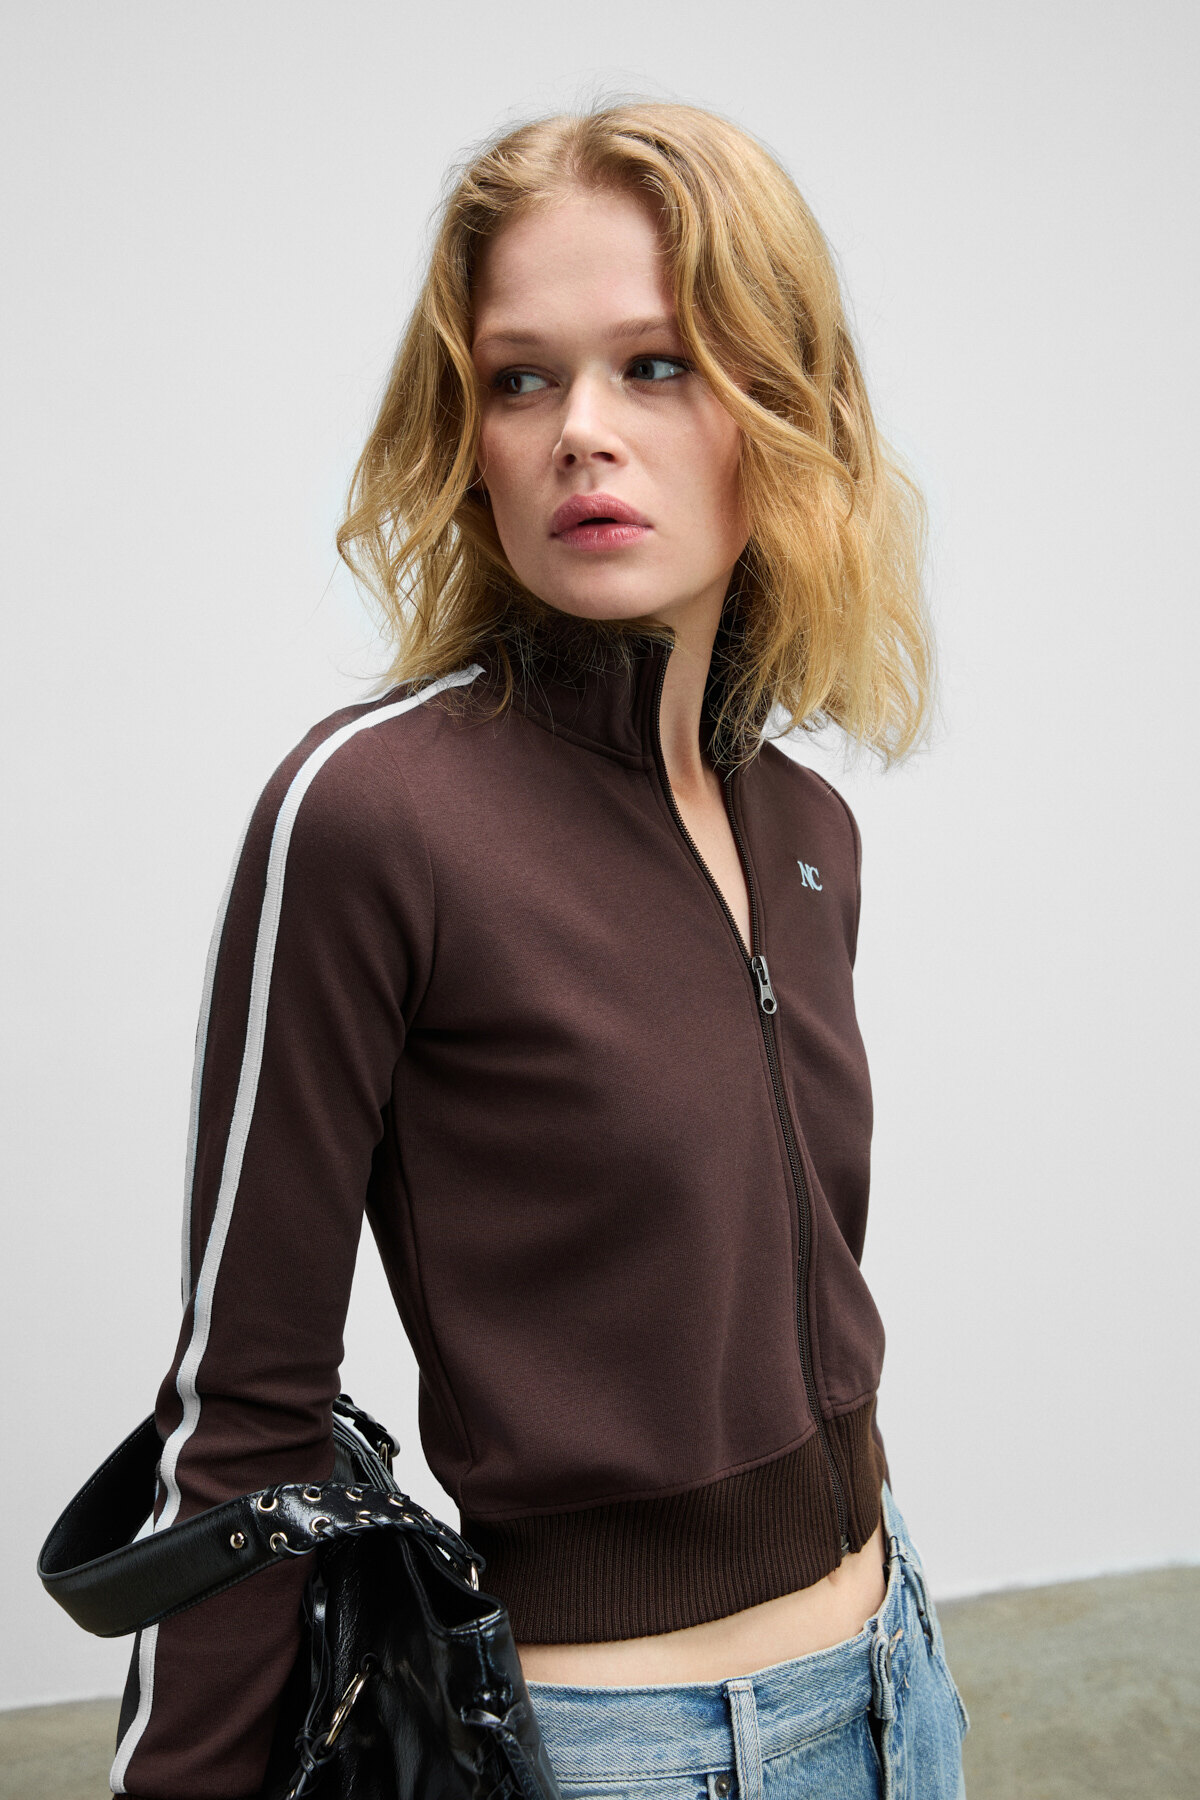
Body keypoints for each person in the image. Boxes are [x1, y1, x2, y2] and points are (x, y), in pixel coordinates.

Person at [110, 101, 968, 1800]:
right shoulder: (372, 818)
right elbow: (242, 1418)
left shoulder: (804, 824)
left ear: (786, 404)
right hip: (618, 1751)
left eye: (657, 365)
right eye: (520, 379)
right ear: (469, 435)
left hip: (898, 1687)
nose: (582, 431)